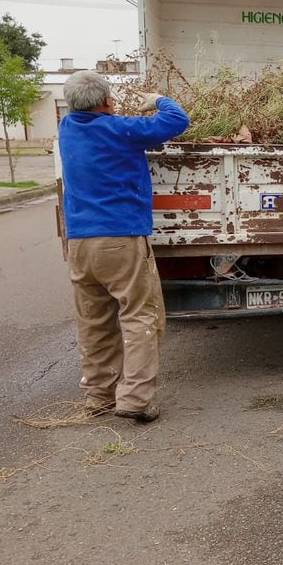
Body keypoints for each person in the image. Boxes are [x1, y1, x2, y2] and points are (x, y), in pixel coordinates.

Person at [58, 71, 189, 422]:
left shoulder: (66, 129)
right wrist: (157, 100)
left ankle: (98, 397)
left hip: (80, 244)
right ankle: (135, 399)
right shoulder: (119, 130)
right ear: (105, 102)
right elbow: (177, 120)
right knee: (139, 315)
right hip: (120, 240)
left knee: (94, 321)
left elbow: (87, 112)